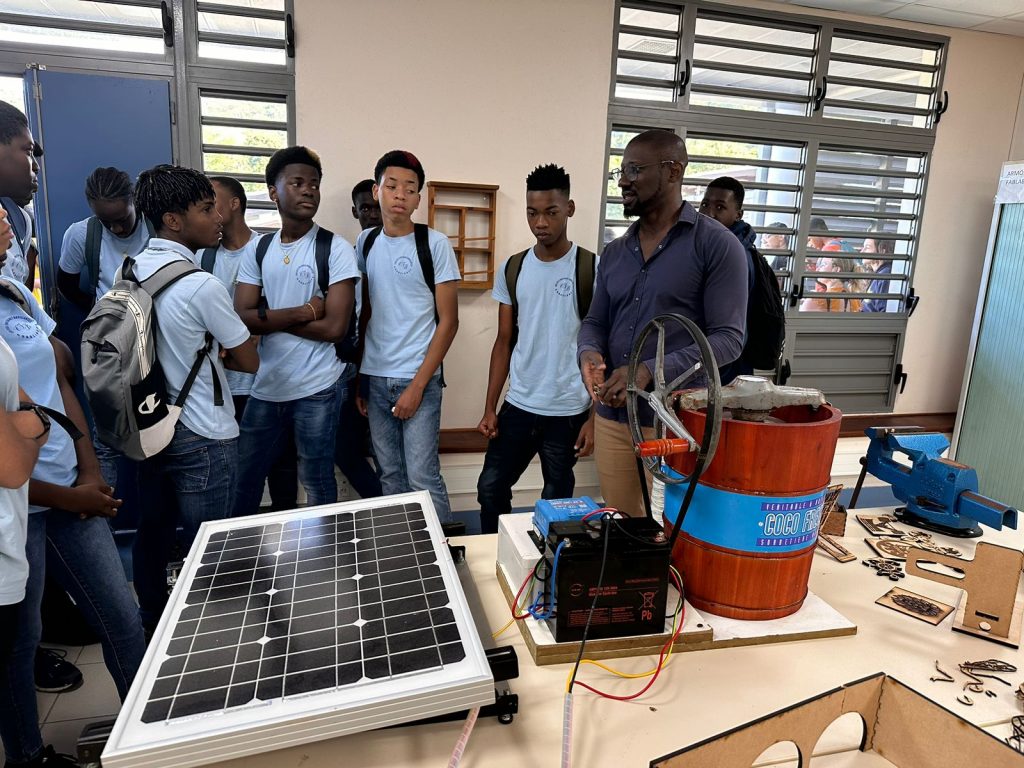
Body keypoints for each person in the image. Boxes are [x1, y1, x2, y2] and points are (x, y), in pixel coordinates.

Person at [0, 268, 148, 768]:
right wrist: (66, 497)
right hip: (20, 509)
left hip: (69, 486)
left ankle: (146, 737)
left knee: (122, 619)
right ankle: (27, 756)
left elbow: (60, 379)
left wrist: (89, 466)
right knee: (21, 644)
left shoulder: (14, 293)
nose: (6, 227)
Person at [578, 130, 747, 516]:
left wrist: (648, 371)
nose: (623, 181)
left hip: (678, 424)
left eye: (634, 170)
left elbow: (728, 340)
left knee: (675, 533)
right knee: (623, 526)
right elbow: (595, 321)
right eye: (621, 171)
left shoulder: (716, 245)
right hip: (614, 420)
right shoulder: (615, 252)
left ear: (673, 171)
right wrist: (588, 353)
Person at [130, 165, 258, 631]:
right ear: (173, 220)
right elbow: (248, 359)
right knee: (209, 546)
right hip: (203, 431)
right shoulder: (201, 284)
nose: (218, 217)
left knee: (154, 531)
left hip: (149, 425)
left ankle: (153, 622)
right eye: (206, 209)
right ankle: (209, 634)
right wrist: (217, 348)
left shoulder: (131, 270)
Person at [232, 146, 358, 517]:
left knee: (317, 480)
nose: (308, 191)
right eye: (297, 183)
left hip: (318, 387)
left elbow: (335, 328)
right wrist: (304, 311)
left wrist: (269, 318)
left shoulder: (335, 248)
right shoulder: (259, 249)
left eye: (314, 184)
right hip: (267, 385)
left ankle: (325, 550)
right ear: (273, 192)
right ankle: (237, 549)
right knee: (245, 479)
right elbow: (241, 316)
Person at [476, 164, 595, 535]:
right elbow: (503, 341)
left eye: (551, 212)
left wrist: (594, 418)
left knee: (556, 502)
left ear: (569, 209)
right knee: (490, 488)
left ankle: (550, 561)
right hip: (520, 404)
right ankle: (496, 552)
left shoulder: (591, 269)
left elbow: (605, 349)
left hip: (569, 409)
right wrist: (490, 406)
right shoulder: (513, 268)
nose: (540, 222)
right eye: (532, 213)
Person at [355, 150, 460, 524]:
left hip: (420, 378)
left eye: (410, 188)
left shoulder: (435, 244)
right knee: (390, 476)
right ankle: (401, 548)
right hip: (375, 377)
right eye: (392, 186)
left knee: (422, 477)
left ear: (418, 198)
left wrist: (417, 386)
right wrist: (361, 379)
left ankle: (444, 549)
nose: (400, 194)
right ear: (377, 191)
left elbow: (449, 322)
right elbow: (365, 313)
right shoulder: (365, 242)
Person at [198, 175, 299, 511]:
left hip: (267, 382)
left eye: (212, 201)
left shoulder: (268, 250)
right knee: (240, 476)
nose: (208, 209)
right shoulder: (204, 258)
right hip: (222, 387)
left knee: (282, 469)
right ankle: (242, 537)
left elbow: (281, 310)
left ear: (235, 203)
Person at [331, 179, 383, 500]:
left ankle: (399, 510)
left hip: (391, 366)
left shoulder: (406, 255)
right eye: (365, 208)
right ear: (355, 212)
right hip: (352, 367)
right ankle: (384, 504)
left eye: (377, 207)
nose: (373, 214)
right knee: (343, 448)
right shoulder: (345, 259)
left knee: (389, 451)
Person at [57, 166, 152, 312]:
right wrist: (99, 311)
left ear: (133, 198)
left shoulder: (157, 226)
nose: (116, 229)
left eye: (123, 219)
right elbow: (66, 286)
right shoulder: (81, 235)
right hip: (109, 321)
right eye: (105, 221)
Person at [698, 176, 757, 384]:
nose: (708, 213)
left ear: (738, 215)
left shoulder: (736, 254)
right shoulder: (705, 247)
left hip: (725, 368)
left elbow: (733, 328)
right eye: (705, 204)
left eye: (720, 207)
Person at [861, 228, 894, 313]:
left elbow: (883, 312)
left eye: (867, 247)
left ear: (882, 250)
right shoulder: (879, 274)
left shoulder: (885, 275)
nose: (862, 251)